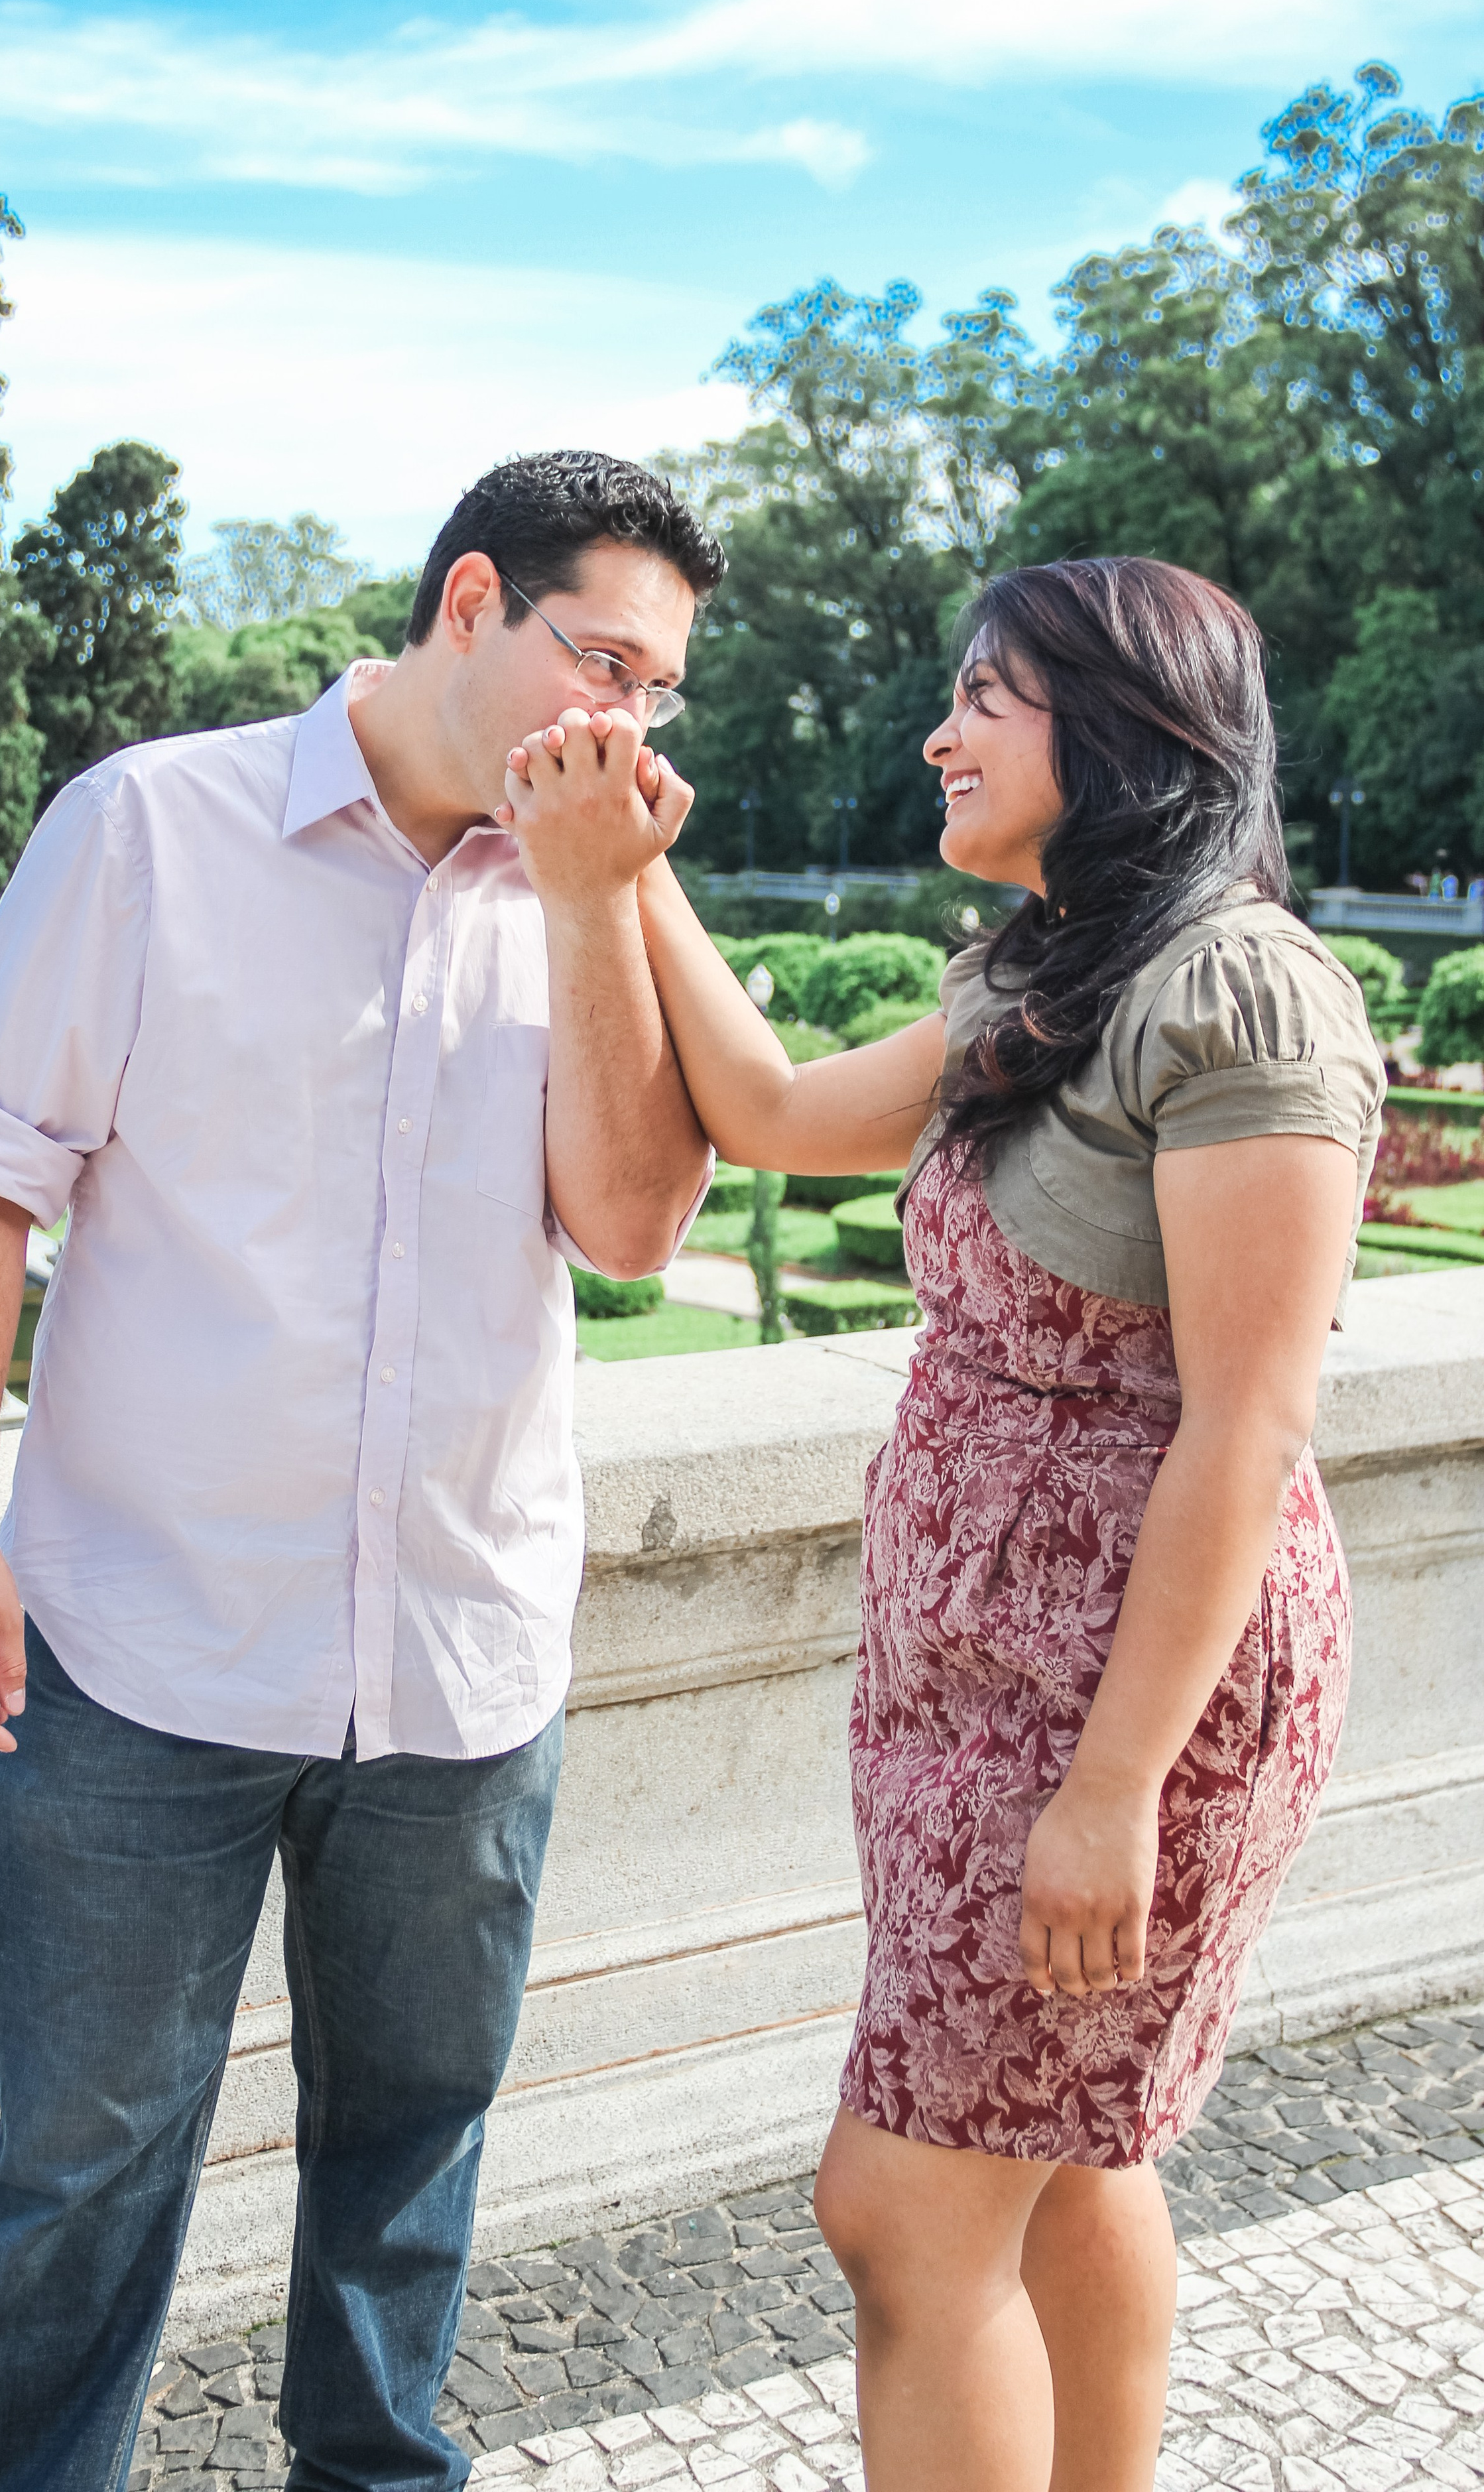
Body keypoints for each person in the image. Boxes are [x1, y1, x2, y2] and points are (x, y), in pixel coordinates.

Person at [499, 555, 1383, 2492]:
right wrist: (623, 865)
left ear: (1130, 728)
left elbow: (1248, 1428)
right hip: (966, 1691)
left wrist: (1114, 1789)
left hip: (1119, 1711)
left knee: (900, 2211)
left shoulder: (1240, 995)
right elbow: (770, 1104)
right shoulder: (1038, 977)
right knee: (1065, 2163)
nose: (941, 730)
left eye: (990, 694)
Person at [0, 450, 718, 2492]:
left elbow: (631, 1231)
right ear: (466, 605)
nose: (628, 721)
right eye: (600, 658)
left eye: (663, 690)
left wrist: (604, 906)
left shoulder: (607, 884)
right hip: (144, 1645)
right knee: (82, 2157)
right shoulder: (149, 829)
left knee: (415, 2145)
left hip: (461, 1657)